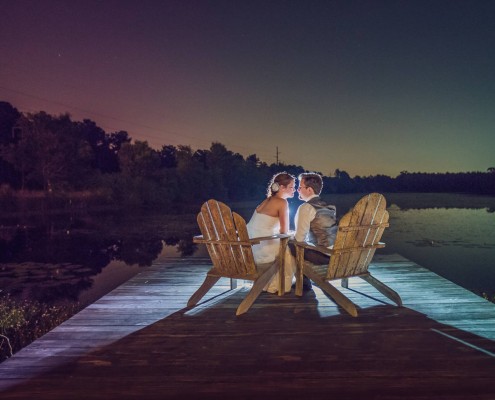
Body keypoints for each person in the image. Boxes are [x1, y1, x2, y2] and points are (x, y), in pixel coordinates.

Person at [246, 172, 297, 293]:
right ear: (282, 188)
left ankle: (266, 282)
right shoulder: (282, 202)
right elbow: (284, 231)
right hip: (263, 249)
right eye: (291, 187)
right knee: (289, 250)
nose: (294, 190)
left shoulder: (267, 200)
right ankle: (279, 284)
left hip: (252, 247)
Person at [290, 172, 338, 290]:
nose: (298, 190)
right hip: (337, 254)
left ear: (309, 190)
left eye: (300, 187)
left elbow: (299, 239)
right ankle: (305, 280)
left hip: (323, 256)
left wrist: (291, 235)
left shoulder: (306, 208)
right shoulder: (329, 207)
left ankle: (304, 283)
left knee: (291, 244)